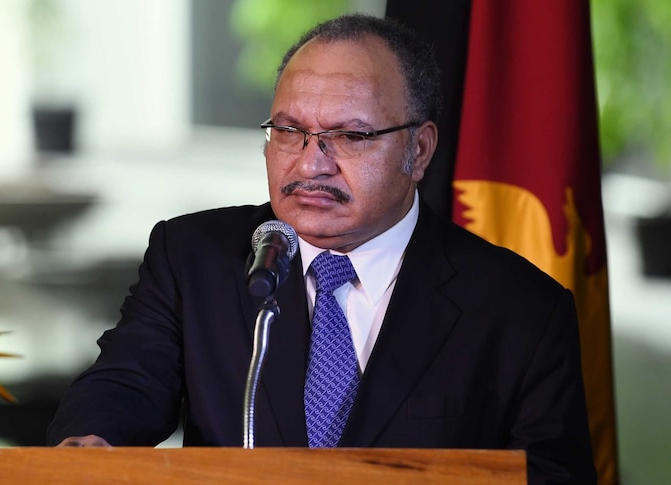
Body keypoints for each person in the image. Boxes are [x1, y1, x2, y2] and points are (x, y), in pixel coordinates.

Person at [47, 13, 597, 483]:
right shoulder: (193, 257)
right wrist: (93, 441)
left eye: (351, 136)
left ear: (419, 150)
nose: (310, 163)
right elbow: (123, 384)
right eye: (289, 132)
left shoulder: (522, 311)